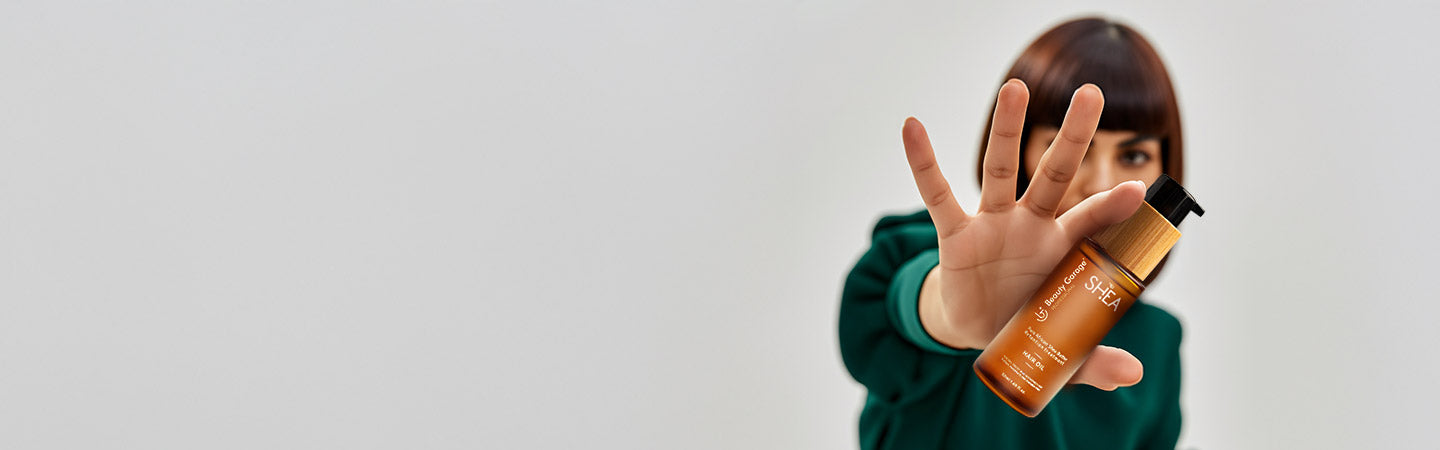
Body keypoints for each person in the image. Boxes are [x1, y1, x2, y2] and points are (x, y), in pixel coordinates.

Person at [838, 17, 1188, 449]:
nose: (1103, 182)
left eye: (1134, 155)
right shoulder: (930, 255)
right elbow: (897, 305)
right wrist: (949, 315)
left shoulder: (1157, 341)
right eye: (1075, 146)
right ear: (1021, 147)